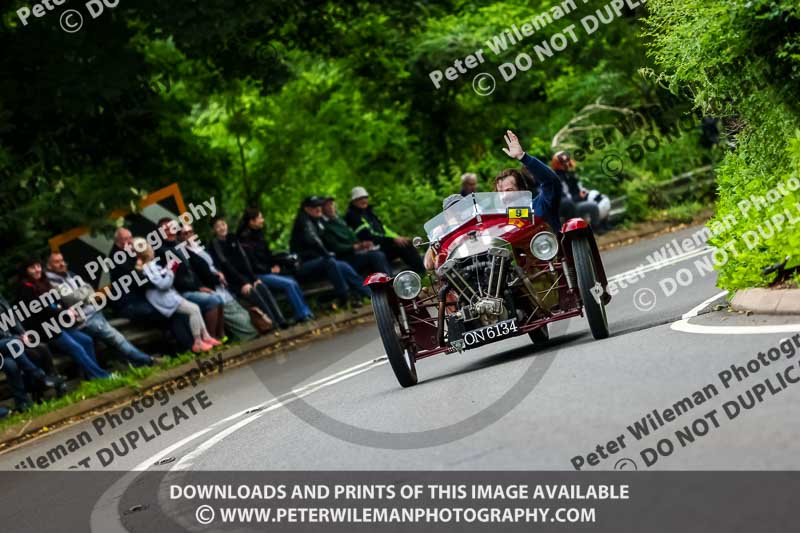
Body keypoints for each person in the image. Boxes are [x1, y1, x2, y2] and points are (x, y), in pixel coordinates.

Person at [46, 253, 154, 367]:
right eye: (57, 262)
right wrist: (85, 293)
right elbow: (73, 299)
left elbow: (90, 289)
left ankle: (137, 363)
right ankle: (148, 360)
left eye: (62, 260)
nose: (62, 264)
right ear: (49, 266)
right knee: (117, 339)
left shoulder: (70, 275)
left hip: (94, 312)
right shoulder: (53, 282)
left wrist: (84, 293)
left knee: (115, 341)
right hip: (85, 319)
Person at [16, 257, 111, 380]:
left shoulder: (44, 282)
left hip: (60, 323)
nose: (37, 270)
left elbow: (59, 299)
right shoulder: (25, 288)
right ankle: (101, 376)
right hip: (46, 330)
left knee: (86, 340)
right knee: (76, 348)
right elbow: (42, 310)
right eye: (32, 268)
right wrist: (63, 311)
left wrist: (69, 309)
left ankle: (91, 376)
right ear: (26, 271)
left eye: (38, 266)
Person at [108, 227, 194, 352]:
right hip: (129, 304)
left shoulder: (128, 253)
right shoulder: (117, 259)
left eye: (131, 238)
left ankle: (188, 346)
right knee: (167, 312)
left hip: (142, 299)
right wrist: (160, 282)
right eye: (126, 239)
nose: (131, 241)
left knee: (174, 311)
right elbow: (140, 280)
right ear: (118, 242)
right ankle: (183, 349)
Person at [134, 239, 220, 353]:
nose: (153, 251)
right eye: (151, 249)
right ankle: (198, 342)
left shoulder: (152, 265)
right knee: (194, 310)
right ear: (148, 253)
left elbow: (161, 275)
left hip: (170, 296)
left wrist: (167, 269)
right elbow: (163, 284)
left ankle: (206, 336)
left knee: (195, 309)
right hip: (165, 299)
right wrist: (171, 271)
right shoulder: (148, 268)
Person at [178, 224, 259, 341]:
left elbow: (214, 263)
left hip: (222, 285)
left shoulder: (200, 247)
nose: (189, 235)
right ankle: (245, 336)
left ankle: (249, 333)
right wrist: (217, 278)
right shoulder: (185, 253)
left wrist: (220, 273)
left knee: (242, 312)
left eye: (191, 231)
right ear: (180, 237)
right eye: (185, 233)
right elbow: (201, 273)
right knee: (237, 317)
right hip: (212, 286)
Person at [290, 196, 371, 306]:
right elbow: (314, 242)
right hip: (303, 264)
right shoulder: (304, 222)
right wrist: (328, 255)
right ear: (306, 209)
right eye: (314, 207)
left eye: (319, 205)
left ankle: (368, 294)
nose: (319, 208)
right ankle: (344, 298)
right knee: (331, 262)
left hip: (318, 261)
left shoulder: (316, 220)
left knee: (343, 266)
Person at [234, 210, 310, 324]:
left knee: (292, 281)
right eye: (260, 218)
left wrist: (277, 263)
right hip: (258, 276)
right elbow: (252, 264)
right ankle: (302, 315)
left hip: (266, 271)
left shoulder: (259, 234)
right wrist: (269, 270)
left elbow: (267, 256)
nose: (262, 220)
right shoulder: (244, 240)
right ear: (252, 222)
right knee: (288, 284)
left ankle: (306, 313)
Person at [156, 218, 226, 340]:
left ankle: (221, 337)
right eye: (166, 230)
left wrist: (201, 286)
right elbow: (176, 280)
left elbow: (192, 271)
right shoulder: (162, 252)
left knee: (219, 297)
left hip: (193, 287)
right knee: (213, 301)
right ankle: (211, 338)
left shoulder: (179, 246)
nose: (170, 232)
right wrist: (197, 288)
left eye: (172, 228)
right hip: (180, 293)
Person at [0, 294, 65, 410]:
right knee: (14, 345)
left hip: (11, 345)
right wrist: (15, 338)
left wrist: (23, 334)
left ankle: (24, 403)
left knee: (37, 350)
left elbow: (12, 318)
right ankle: (40, 377)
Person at [495, 130, 562, 235]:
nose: (503, 196)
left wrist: (523, 157)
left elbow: (551, 182)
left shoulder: (540, 206)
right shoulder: (499, 221)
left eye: (509, 190)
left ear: (522, 190)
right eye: (500, 192)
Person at [344, 187, 425, 273]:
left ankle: (422, 271)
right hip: (372, 249)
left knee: (406, 242)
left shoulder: (369, 213)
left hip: (381, 245)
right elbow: (368, 236)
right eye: (360, 199)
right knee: (403, 246)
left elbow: (384, 229)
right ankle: (420, 271)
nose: (364, 200)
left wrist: (397, 237)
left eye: (365, 197)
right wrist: (393, 240)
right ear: (354, 201)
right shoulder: (352, 217)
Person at [321, 197, 392, 275]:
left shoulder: (341, 220)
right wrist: (356, 247)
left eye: (332, 204)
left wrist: (363, 245)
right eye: (327, 206)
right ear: (322, 209)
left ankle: (389, 281)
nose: (331, 207)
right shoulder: (323, 225)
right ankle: (388, 284)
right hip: (344, 259)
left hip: (357, 253)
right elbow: (335, 247)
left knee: (379, 252)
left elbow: (353, 237)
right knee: (377, 256)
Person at [550, 151, 601, 228]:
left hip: (575, 201)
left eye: (567, 161)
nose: (567, 164)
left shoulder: (569, 174)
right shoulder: (558, 178)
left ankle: (600, 224)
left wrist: (584, 192)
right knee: (593, 206)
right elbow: (567, 199)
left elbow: (578, 187)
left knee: (597, 196)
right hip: (570, 207)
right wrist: (580, 196)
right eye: (564, 162)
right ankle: (597, 228)